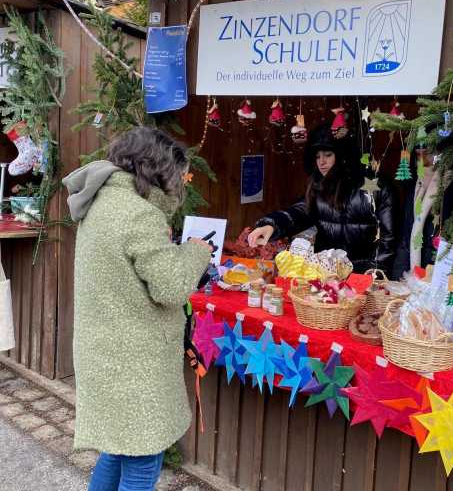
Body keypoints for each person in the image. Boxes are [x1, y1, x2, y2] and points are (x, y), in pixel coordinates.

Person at [62, 127, 212, 491]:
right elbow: (171, 288)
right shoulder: (139, 215)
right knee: (143, 460)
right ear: (158, 169)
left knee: (115, 451)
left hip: (105, 352)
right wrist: (197, 251)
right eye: (179, 175)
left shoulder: (102, 202)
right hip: (133, 362)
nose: (180, 183)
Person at [248, 123, 396, 275]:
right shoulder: (319, 187)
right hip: (326, 275)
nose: (321, 162)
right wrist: (271, 225)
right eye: (317, 156)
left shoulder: (378, 187)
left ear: (342, 156)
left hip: (364, 275)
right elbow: (298, 211)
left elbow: (388, 239)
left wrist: (374, 274)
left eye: (328, 155)